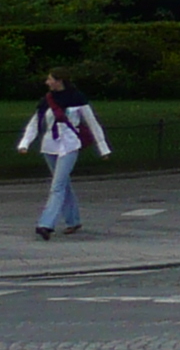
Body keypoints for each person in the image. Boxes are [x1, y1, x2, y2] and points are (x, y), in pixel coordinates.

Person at [17, 72, 110, 239]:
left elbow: (92, 123)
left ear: (59, 81)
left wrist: (103, 148)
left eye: (50, 79)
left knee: (57, 186)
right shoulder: (46, 100)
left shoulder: (77, 98)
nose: (47, 82)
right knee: (63, 183)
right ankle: (73, 221)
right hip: (50, 146)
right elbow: (34, 124)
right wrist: (24, 143)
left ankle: (46, 224)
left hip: (70, 144)